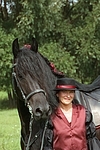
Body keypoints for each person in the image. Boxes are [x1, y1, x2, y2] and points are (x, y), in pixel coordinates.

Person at [44, 77, 100, 150]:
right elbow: (48, 146)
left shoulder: (84, 113)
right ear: (57, 94)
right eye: (64, 92)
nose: (68, 95)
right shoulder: (52, 118)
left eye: (71, 92)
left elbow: (92, 142)